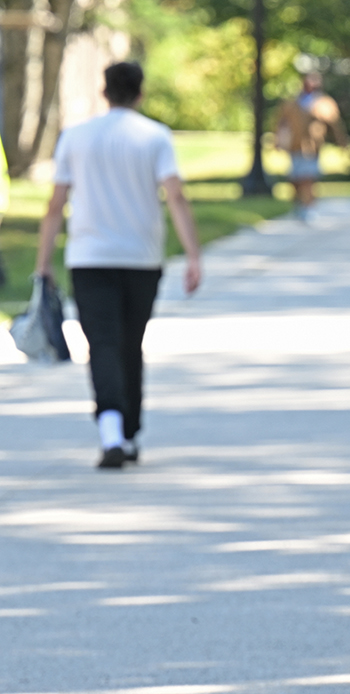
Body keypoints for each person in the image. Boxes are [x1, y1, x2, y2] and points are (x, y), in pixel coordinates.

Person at [35, 61, 202, 469]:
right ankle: (127, 434)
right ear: (140, 93)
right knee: (131, 343)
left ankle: (111, 428)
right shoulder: (155, 136)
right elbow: (175, 197)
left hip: (89, 258)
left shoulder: (75, 137)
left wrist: (44, 263)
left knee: (103, 344)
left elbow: (56, 204)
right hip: (141, 258)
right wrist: (193, 253)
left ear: (104, 92)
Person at [274, 71, 349, 222]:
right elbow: (281, 122)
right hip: (295, 146)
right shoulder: (292, 103)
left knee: (308, 179)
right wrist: (277, 140)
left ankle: (309, 208)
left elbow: (335, 125)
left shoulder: (324, 103)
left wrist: (342, 142)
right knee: (295, 179)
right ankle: (299, 204)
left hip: (312, 148)